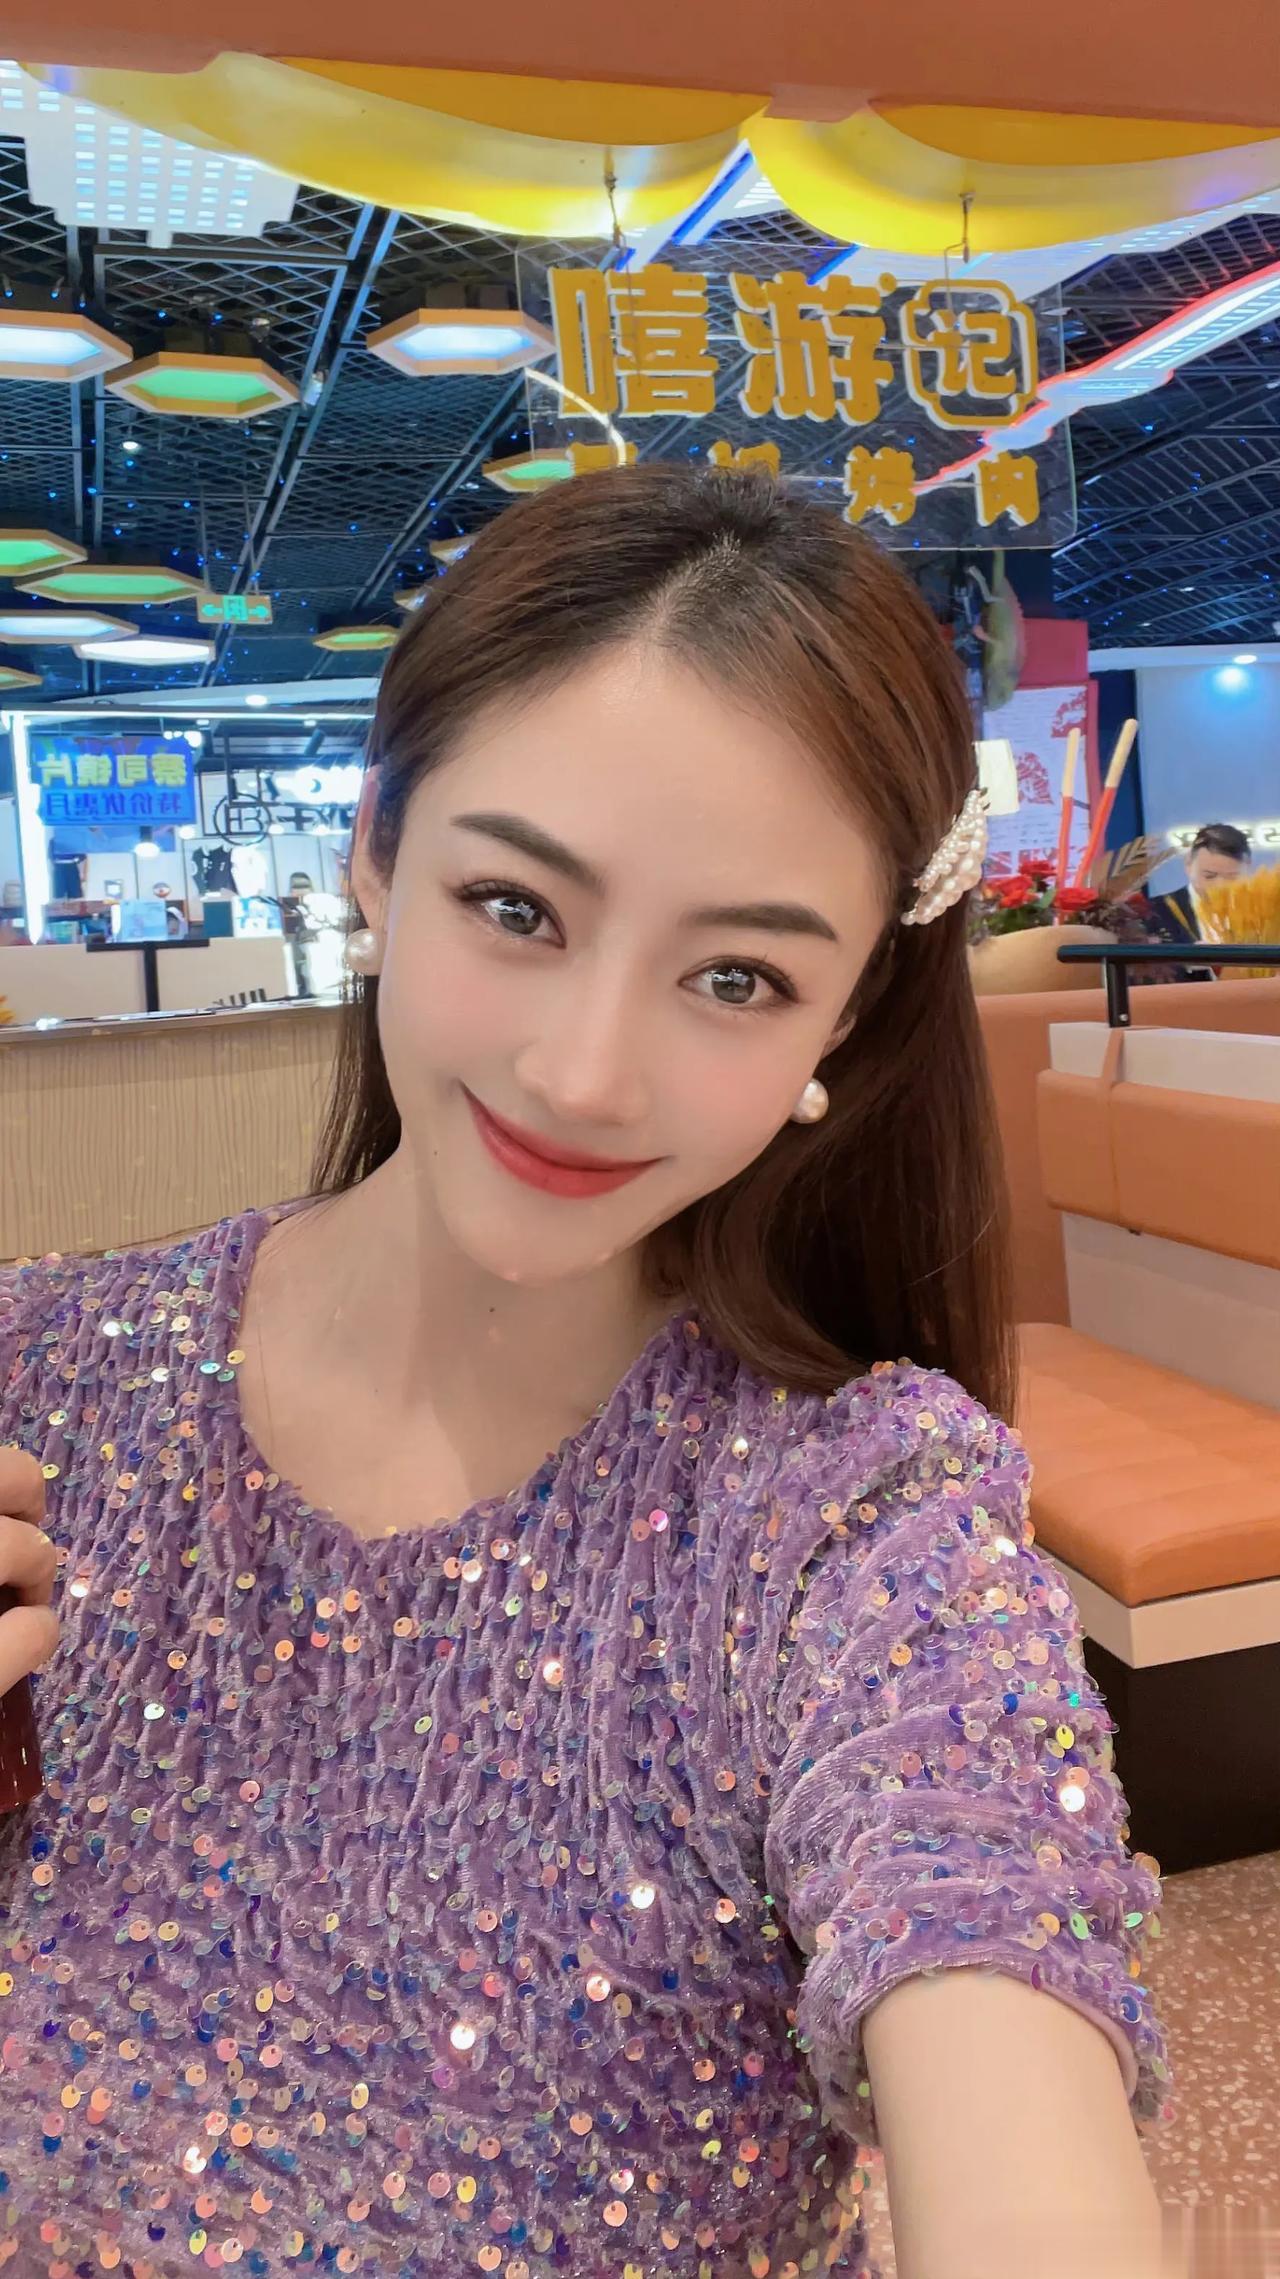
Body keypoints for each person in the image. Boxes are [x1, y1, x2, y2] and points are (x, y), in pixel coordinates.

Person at [0, 469, 1171, 2279]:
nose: (587, 1073)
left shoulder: (852, 1526)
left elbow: (999, 1994)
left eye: (737, 976)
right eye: (517, 906)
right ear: (375, 856)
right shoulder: (45, 1391)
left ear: (848, 1012)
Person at [1149, 821, 1251, 945]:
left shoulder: (1267, 913)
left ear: (1248, 866)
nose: (1220, 886)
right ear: (1188, 864)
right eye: (1209, 876)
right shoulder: (1154, 912)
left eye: (1232, 877)